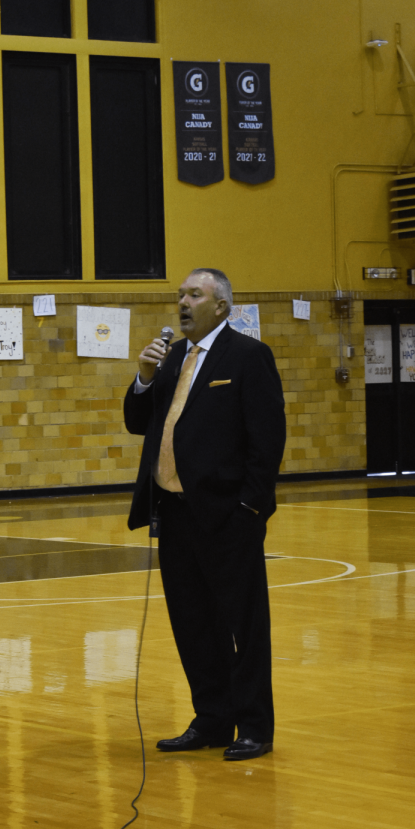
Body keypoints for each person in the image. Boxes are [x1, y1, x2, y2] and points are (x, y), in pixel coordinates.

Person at [124, 268, 287, 761]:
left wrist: (249, 509)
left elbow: (267, 442)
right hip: (175, 514)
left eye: (195, 294)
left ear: (221, 306)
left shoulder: (248, 356)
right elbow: (138, 423)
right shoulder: (173, 357)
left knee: (244, 624)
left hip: (227, 515)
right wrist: (144, 377)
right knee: (192, 622)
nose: (184, 302)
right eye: (180, 295)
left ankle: (255, 726)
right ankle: (213, 718)